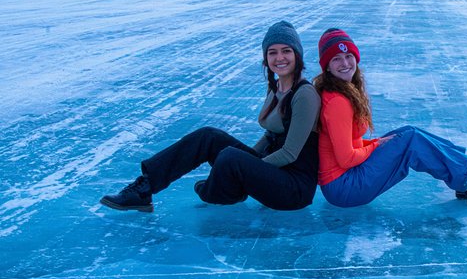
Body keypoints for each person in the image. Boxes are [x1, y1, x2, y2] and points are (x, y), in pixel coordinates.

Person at [100, 21, 321, 212]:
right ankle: (144, 189)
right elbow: (271, 134)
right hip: (275, 175)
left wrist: (249, 166)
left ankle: (216, 191)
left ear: (297, 55)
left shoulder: (304, 94)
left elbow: (290, 154)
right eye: (272, 52)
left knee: (231, 157)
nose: (279, 58)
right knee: (208, 136)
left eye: (286, 51)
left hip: (294, 189)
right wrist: (250, 165)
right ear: (266, 57)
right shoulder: (276, 87)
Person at [313, 28, 467, 208]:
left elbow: (346, 143)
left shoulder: (342, 92)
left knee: (407, 134)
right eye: (336, 58)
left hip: (344, 182)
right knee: (410, 139)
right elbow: (346, 158)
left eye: (348, 55)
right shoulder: (337, 101)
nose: (345, 63)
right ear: (327, 66)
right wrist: (375, 145)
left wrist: (375, 143)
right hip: (345, 188)